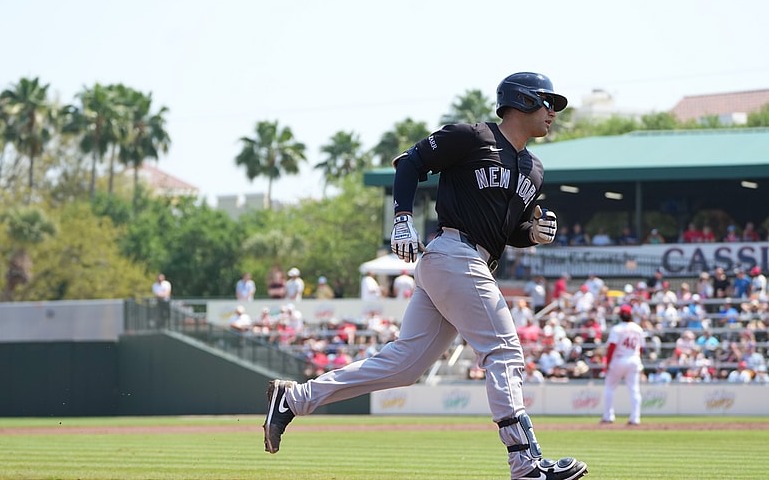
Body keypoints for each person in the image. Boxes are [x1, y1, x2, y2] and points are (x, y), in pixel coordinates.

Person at [262, 72, 588, 480]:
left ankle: (294, 399)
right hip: (454, 252)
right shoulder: (472, 136)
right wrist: (402, 219)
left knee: (404, 367)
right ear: (521, 100)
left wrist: (531, 235)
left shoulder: (534, 167)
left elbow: (507, 231)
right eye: (547, 102)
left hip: (468, 262)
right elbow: (410, 162)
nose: (553, 112)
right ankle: (524, 463)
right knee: (504, 351)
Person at [600, 304, 645, 426]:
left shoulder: (617, 328)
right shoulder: (638, 328)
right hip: (634, 359)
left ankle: (609, 416)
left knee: (609, 388)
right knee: (634, 390)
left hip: (619, 359)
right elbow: (641, 348)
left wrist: (607, 363)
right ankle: (635, 418)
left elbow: (612, 347)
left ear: (620, 315)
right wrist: (638, 359)